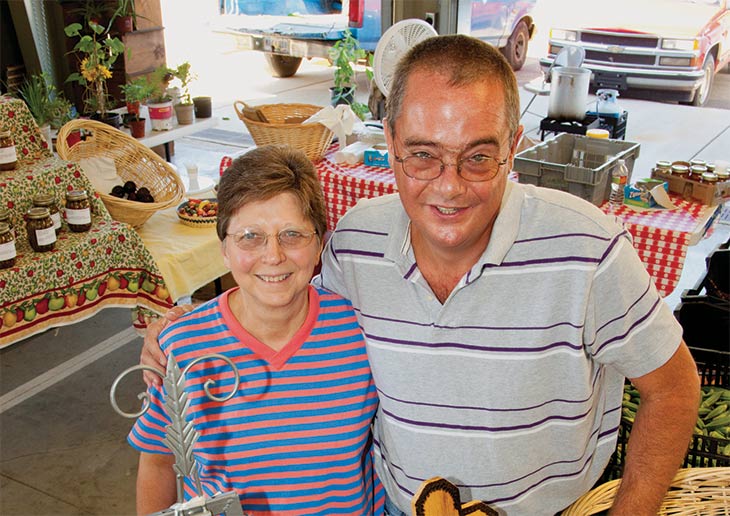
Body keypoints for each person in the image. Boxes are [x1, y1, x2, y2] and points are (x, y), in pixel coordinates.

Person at [143, 36, 700, 515]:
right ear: (390, 142)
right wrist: (177, 334)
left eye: (479, 157)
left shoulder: (589, 248)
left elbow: (674, 389)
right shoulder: (354, 245)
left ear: (514, 145)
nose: (449, 186)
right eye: (423, 156)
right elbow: (283, 301)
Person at [130, 145, 383, 515]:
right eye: (250, 236)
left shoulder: (362, 332)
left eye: (293, 235)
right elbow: (157, 460)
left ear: (319, 246)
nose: (273, 255)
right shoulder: (182, 348)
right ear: (224, 249)